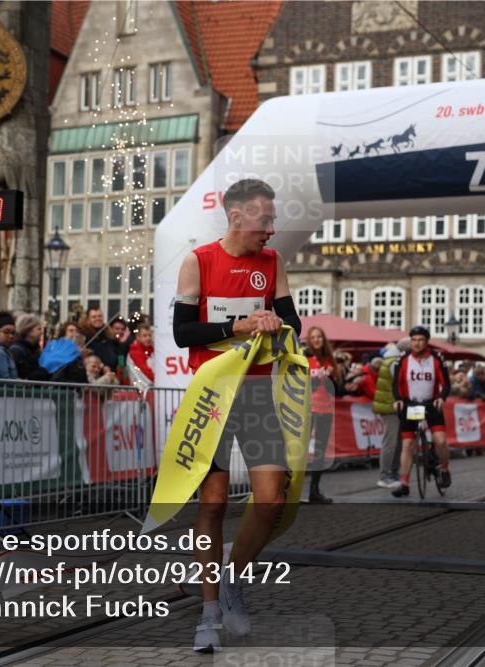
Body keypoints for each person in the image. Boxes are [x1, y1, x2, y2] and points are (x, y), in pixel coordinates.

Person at [171, 178, 301, 652]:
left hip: (258, 394)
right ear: (236, 217)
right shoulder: (199, 260)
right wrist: (238, 324)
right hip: (213, 396)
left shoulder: (273, 262)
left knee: (271, 500)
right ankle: (207, 616)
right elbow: (184, 332)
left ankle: (231, 579)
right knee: (214, 501)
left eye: (272, 220)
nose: (271, 229)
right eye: (265, 220)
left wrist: (276, 322)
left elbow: (294, 325)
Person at [391, 326, 451, 497]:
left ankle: (445, 469)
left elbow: (446, 384)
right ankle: (404, 483)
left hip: (431, 404)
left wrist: (442, 397)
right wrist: (399, 400)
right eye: (414, 340)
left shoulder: (437, 358)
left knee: (440, 441)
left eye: (420, 340)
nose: (417, 343)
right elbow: (396, 384)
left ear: (427, 341)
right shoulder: (402, 359)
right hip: (411, 405)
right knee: (408, 444)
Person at [304, 326, 337, 504]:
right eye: (313, 337)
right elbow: (301, 384)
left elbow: (337, 389)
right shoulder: (304, 358)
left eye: (319, 337)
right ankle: (291, 493)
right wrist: (317, 377)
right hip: (307, 409)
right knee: (300, 450)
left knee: (319, 452)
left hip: (325, 410)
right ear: (309, 340)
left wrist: (331, 377)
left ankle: (314, 492)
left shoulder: (328, 360)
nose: (317, 340)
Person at [374, 345, 404, 488]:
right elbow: (400, 383)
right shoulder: (394, 363)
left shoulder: (390, 360)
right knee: (391, 442)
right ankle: (385, 475)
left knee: (396, 442)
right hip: (390, 406)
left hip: (392, 406)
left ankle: (392, 473)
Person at [78, 307, 121, 371]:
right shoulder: (83, 336)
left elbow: (118, 353)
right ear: (88, 319)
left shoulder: (109, 335)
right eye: (94, 317)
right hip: (94, 373)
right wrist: (100, 366)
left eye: (100, 316)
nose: (97, 319)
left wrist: (120, 365)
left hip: (112, 372)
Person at [9, 313, 50, 380]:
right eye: (39, 329)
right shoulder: (16, 350)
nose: (41, 332)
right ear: (28, 331)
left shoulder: (36, 350)